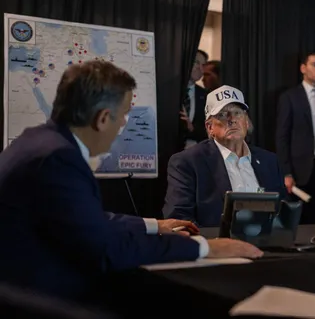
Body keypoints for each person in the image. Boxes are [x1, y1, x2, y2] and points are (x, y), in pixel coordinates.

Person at [0, 61, 261, 301]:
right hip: (39, 298)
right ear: (103, 119)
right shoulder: (59, 159)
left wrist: (154, 225)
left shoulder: (39, 141)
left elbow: (88, 220)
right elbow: (107, 248)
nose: (124, 126)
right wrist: (204, 247)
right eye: (124, 115)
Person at [164, 85, 286, 227]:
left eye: (237, 113)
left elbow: (284, 211)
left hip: (267, 239)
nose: (232, 119)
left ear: (246, 122)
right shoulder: (188, 163)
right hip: (215, 240)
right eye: (222, 115)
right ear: (210, 127)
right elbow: (179, 218)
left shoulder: (269, 161)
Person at [276, 52, 315, 224]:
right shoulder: (290, 97)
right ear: (303, 68)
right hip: (299, 170)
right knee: (300, 220)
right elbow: (282, 137)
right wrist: (286, 172)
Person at [180, 50, 208, 149]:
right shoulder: (170, 91)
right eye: (196, 62)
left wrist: (192, 128)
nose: (200, 68)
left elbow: (210, 132)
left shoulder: (206, 95)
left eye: (203, 65)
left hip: (194, 152)